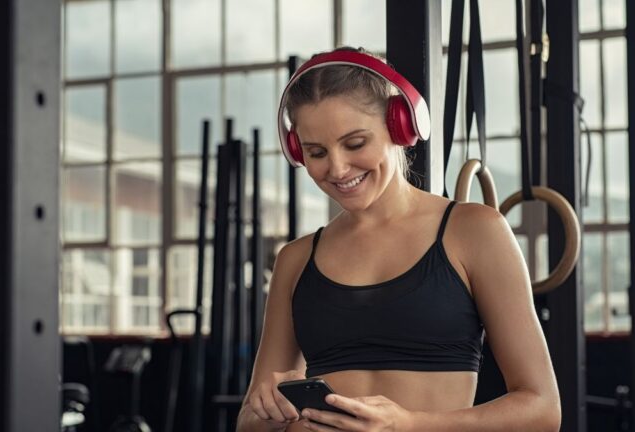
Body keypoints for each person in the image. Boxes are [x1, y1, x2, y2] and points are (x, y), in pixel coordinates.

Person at [236, 47, 560, 432]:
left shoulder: (474, 232)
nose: (337, 168)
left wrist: (409, 425)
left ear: (399, 125)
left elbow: (542, 410)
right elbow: (248, 423)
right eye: (316, 152)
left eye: (355, 144)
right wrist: (279, 420)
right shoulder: (295, 259)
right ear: (297, 151)